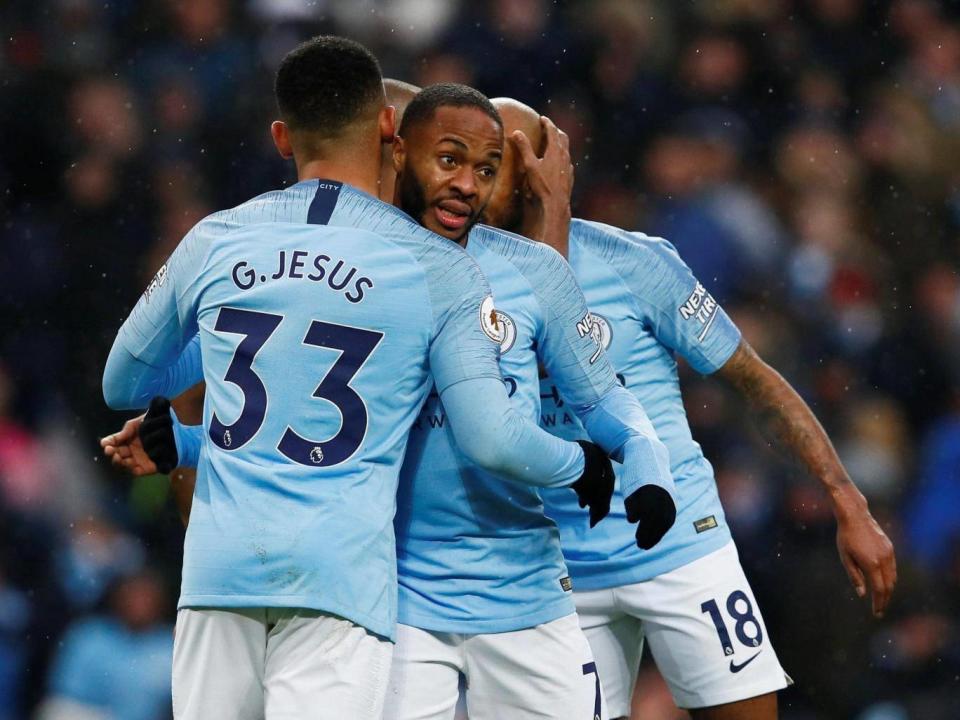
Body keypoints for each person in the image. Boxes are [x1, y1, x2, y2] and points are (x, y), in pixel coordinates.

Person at [100, 38, 614, 720]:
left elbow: (125, 383)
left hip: (220, 571)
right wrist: (581, 462)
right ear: (385, 130)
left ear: (282, 136)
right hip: (338, 577)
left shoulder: (217, 238)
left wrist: (199, 419)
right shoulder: (437, 269)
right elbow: (492, 436)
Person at [481, 98, 898, 720]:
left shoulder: (636, 261)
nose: (491, 176)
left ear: (553, 165)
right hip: (555, 572)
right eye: (487, 160)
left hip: (681, 546)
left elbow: (755, 381)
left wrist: (846, 497)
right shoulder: (458, 280)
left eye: (512, 156)